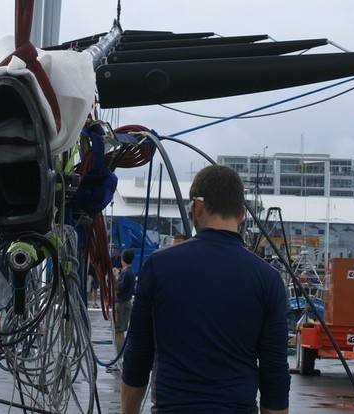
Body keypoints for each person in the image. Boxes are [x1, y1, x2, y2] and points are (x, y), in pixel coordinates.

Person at [121, 165, 289, 414]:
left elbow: (137, 359)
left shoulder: (158, 266)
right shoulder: (268, 280)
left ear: (197, 207)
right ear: (241, 214)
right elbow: (274, 377)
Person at [107, 248, 135, 374]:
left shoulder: (126, 273)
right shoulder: (130, 272)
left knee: (118, 333)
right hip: (125, 304)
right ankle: (120, 359)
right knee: (121, 332)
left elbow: (118, 289)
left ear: (122, 259)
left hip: (121, 305)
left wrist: (113, 278)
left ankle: (118, 360)